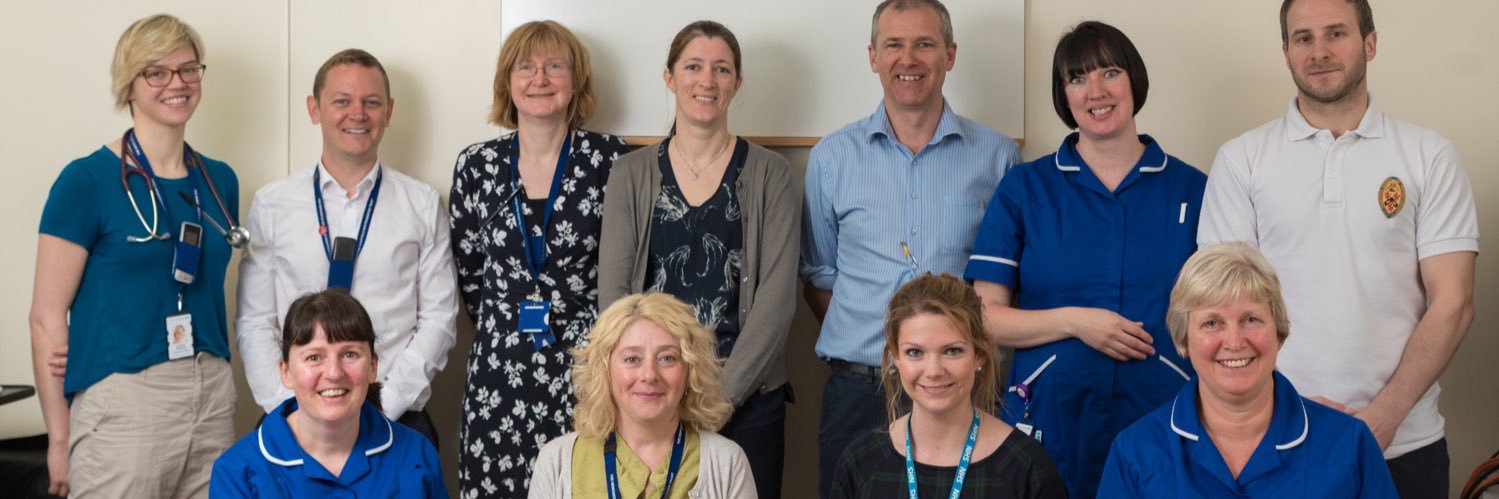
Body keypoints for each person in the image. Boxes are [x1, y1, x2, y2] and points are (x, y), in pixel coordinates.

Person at [1197, 0, 1478, 496]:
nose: (1319, 51)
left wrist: (1379, 421)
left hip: (1403, 445)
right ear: (1285, 52)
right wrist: (1301, 421)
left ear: (1370, 43)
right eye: (1303, 38)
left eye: (1336, 34)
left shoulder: (1429, 155)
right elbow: (1225, 308)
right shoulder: (1242, 160)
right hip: (1274, 445)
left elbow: (1453, 303)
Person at [963, 20, 1204, 497]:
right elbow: (983, 319)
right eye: (1077, 78)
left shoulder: (1192, 190)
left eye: (1109, 72)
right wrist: (1076, 322)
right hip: (1051, 413)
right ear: (1064, 95)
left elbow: (1220, 313)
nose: (1095, 91)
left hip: (1161, 409)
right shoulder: (1026, 189)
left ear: (1134, 79)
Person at [799, 1, 1021, 493]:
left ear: (950, 54)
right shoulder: (832, 157)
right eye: (894, 44)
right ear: (873, 56)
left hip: (965, 385)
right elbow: (819, 275)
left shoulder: (998, 156)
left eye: (924, 43)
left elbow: (1007, 277)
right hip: (860, 389)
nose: (909, 58)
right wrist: (881, 347)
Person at [29, 14, 240, 498]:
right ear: (129, 84)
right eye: (157, 72)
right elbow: (44, 318)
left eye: (189, 69)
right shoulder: (86, 182)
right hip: (126, 397)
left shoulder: (220, 180)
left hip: (211, 392)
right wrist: (59, 438)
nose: (177, 83)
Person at [599, 20, 799, 498]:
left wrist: (717, 401)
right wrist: (662, 395)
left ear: (737, 82)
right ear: (669, 77)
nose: (706, 81)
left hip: (749, 400)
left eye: (721, 69)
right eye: (693, 67)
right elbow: (614, 297)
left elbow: (776, 302)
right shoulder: (630, 173)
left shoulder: (772, 173)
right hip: (650, 397)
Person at [236, 49, 458, 445]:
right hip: (293, 419)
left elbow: (440, 318)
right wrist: (290, 406)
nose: (358, 114)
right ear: (314, 108)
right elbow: (254, 322)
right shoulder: (272, 205)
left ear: (388, 112)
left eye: (371, 102)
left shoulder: (422, 204)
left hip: (395, 417)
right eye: (342, 101)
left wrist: (383, 403)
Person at [449, 20, 631, 497]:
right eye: (525, 67)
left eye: (555, 66)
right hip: (499, 371)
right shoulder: (477, 165)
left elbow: (629, 269)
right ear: (507, 81)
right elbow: (471, 276)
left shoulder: (612, 161)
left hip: (587, 368)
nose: (540, 79)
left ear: (577, 81)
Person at [1097, 242, 1398, 497]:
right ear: (1183, 340)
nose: (1234, 341)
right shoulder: (1134, 452)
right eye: (1211, 323)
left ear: (1278, 332)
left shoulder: (1350, 444)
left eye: (1251, 319)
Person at [830, 274, 1066, 498]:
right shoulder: (860, 463)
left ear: (979, 355)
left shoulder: (1027, 468)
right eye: (915, 352)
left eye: (952, 351)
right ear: (895, 358)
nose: (933, 371)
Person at [210, 290, 447, 498]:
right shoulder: (236, 473)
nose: (334, 373)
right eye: (314, 357)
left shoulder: (417, 454)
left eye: (350, 354)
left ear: (373, 367)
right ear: (286, 372)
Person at [529, 293, 757, 498]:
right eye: (632, 359)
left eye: (667, 358)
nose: (649, 375)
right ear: (605, 371)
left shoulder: (727, 462)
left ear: (690, 370)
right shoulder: (556, 463)